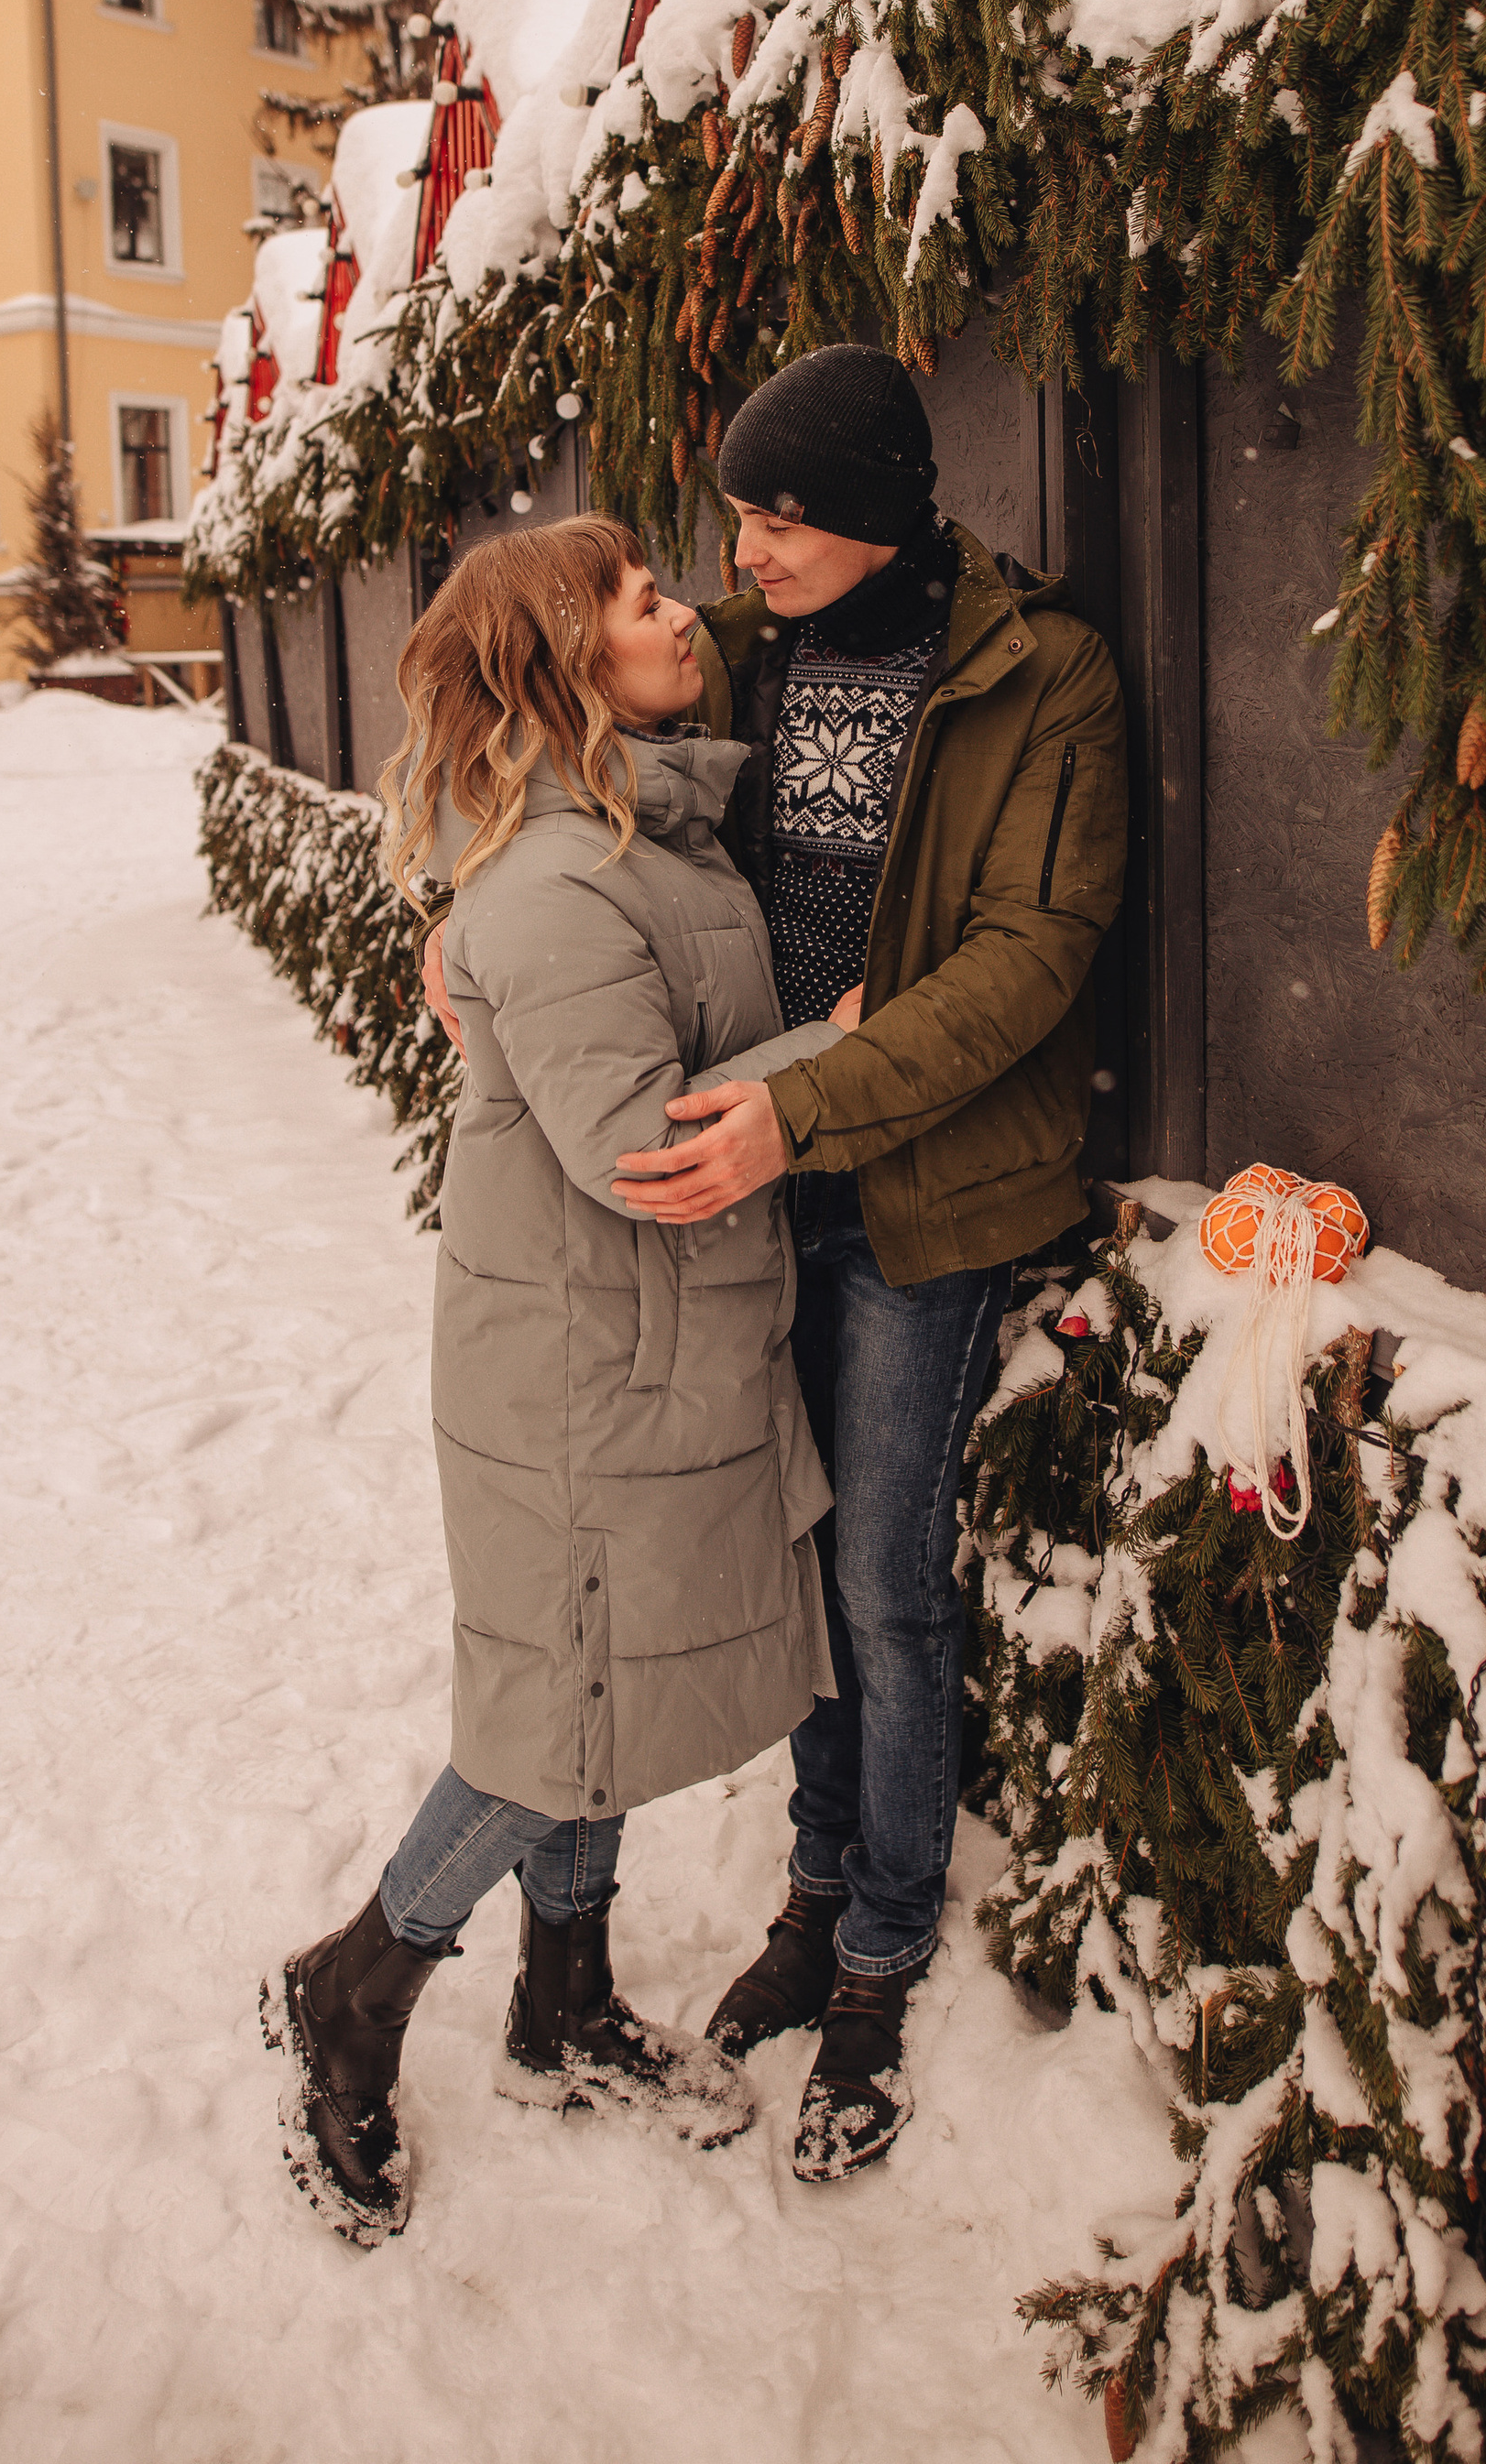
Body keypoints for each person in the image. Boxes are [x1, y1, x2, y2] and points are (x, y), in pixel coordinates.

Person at [268, 516, 848, 2245]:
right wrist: (858, 1047)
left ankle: (564, 2008)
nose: (688, 612)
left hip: (627, 1347)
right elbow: (634, 1152)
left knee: (596, 1691)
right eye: (646, 599)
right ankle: (358, 1986)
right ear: (563, 663)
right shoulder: (561, 879)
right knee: (559, 1714)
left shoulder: (616, 829)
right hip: (585, 1370)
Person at [609, 343, 1128, 2178]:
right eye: (738, 511)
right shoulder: (752, 657)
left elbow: (1027, 953)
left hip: (919, 1193)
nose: (741, 547)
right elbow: (565, 778)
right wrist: (462, 909)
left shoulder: (1033, 673)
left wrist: (810, 1096)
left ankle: (885, 1942)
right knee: (802, 1553)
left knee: (891, 1583)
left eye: (779, 514)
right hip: (767, 1168)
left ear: (876, 510)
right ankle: (814, 1888)